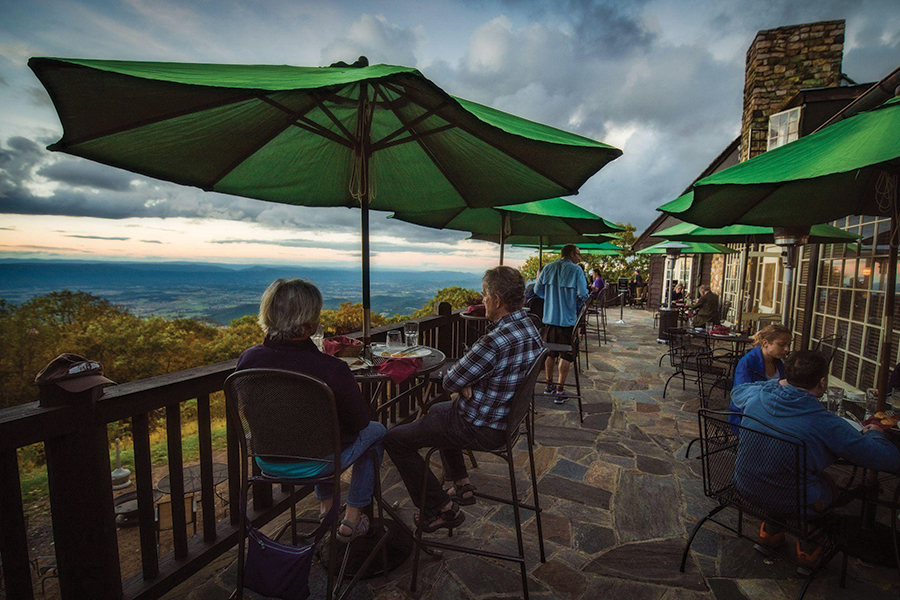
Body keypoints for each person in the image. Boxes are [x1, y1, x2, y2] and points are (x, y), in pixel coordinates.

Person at [384, 266, 543, 533]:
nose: (482, 301)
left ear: (496, 300)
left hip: (480, 427)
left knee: (395, 440)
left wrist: (464, 380)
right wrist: (466, 380)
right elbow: (462, 380)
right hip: (505, 423)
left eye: (484, 296)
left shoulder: (494, 341)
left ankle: (440, 509)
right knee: (438, 410)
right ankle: (461, 485)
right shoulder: (531, 327)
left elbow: (449, 380)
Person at [236, 278, 385, 543]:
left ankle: (326, 508)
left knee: (321, 434)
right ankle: (351, 519)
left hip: (266, 461)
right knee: (376, 432)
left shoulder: (248, 360)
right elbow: (361, 421)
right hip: (318, 464)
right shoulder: (330, 368)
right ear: (310, 321)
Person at [731, 350, 900, 567]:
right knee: (828, 484)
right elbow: (888, 459)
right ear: (822, 382)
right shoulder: (826, 422)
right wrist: (876, 432)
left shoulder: (757, 397)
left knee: (786, 472)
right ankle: (809, 543)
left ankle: (771, 531)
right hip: (793, 499)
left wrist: (778, 384)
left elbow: (739, 392)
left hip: (746, 486)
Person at [534, 244, 589, 404]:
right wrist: (572, 302)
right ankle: (560, 390)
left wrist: (551, 298)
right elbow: (583, 294)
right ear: (572, 254)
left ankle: (549, 385)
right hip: (567, 321)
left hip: (549, 319)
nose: (579, 257)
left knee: (550, 353)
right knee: (566, 355)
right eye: (578, 254)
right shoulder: (576, 270)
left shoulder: (549, 267)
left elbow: (537, 290)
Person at [729, 324, 791, 426]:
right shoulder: (747, 363)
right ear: (765, 343)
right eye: (782, 344)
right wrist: (777, 383)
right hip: (747, 418)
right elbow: (742, 396)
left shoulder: (780, 363)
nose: (787, 349)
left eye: (789, 345)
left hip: (773, 414)